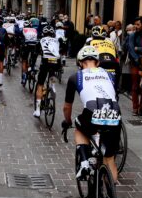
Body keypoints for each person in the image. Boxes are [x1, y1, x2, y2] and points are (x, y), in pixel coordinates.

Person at [62, 46, 121, 182]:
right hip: (115, 113)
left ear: (79, 63)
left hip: (92, 112)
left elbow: (67, 106)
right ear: (98, 62)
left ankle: (84, 163)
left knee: (79, 127)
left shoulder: (75, 77)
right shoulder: (110, 75)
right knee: (109, 159)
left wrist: (67, 121)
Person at [33, 25, 61, 118]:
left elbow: (35, 54)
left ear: (43, 33)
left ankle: (37, 110)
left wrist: (32, 66)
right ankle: (53, 86)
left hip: (45, 62)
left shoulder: (41, 41)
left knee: (40, 84)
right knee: (52, 74)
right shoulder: (56, 40)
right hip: (56, 62)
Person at [86, 25, 120, 92]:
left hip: (99, 63)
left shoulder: (90, 42)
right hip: (113, 63)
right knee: (118, 73)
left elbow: (84, 54)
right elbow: (117, 56)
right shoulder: (110, 42)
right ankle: (116, 89)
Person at [128, 16, 142, 116]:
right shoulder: (133, 35)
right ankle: (135, 108)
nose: (136, 26)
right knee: (135, 86)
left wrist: (139, 49)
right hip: (135, 63)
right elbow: (131, 49)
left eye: (138, 24)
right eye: (135, 24)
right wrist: (137, 59)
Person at [20, 20, 39, 85]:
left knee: (24, 60)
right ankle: (33, 68)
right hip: (34, 45)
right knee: (34, 57)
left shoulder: (23, 29)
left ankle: (24, 75)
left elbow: (19, 36)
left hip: (26, 45)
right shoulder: (34, 30)